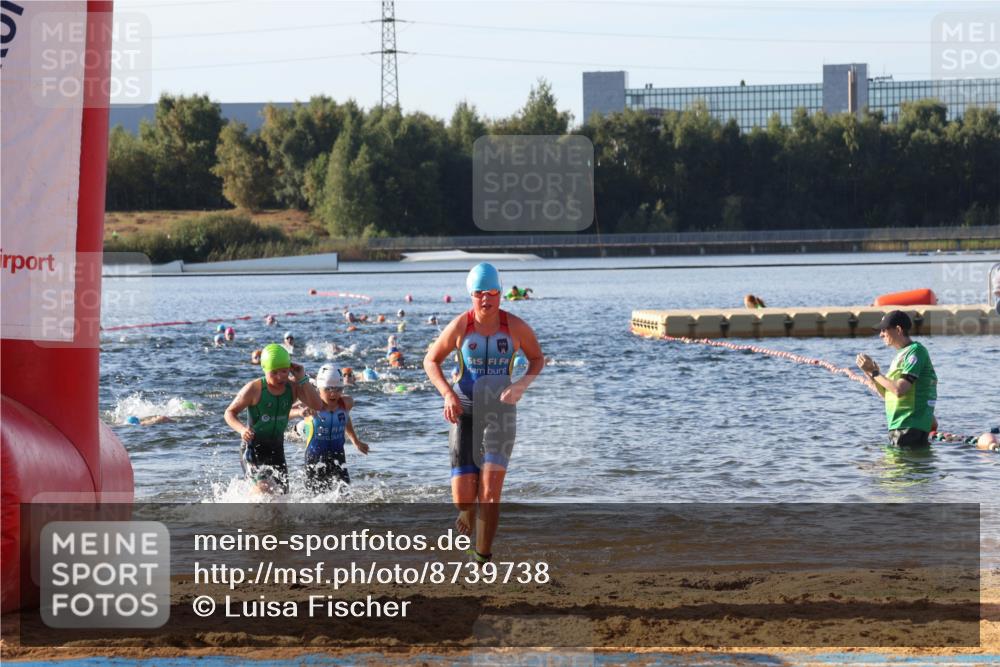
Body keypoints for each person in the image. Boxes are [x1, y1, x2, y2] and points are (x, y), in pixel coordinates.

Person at [423, 263, 544, 564]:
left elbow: (537, 359)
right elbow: (430, 361)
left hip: (501, 415)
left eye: (492, 293)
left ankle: (482, 556)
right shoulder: (460, 326)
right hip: (464, 411)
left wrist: (521, 385)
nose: (487, 300)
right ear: (471, 295)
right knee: (464, 497)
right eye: (480, 294)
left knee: (490, 492)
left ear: (501, 294)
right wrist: (448, 395)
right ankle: (467, 509)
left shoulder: (515, 327)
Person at [224, 343, 324, 495]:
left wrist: (302, 377)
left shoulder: (292, 388)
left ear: (289, 368)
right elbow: (229, 413)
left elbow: (318, 405)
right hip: (253, 449)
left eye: (284, 371)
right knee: (263, 489)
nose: (280, 377)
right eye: (274, 372)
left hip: (276, 450)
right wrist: (242, 429)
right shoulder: (254, 389)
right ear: (264, 369)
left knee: (282, 498)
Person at [856, 310, 938, 448]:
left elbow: (900, 389)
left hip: (910, 427)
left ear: (898, 329)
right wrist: (868, 372)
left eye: (884, 330)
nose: (881, 334)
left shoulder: (916, 351)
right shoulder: (900, 356)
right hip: (899, 427)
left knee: (898, 468)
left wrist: (875, 373)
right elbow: (887, 394)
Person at [290, 366, 369, 492]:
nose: (333, 393)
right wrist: (299, 412)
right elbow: (286, 412)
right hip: (315, 458)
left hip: (338, 457)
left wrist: (355, 441)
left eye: (338, 389)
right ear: (319, 389)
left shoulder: (347, 403)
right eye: (328, 389)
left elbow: (345, 419)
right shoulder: (310, 404)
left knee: (344, 495)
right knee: (315, 497)